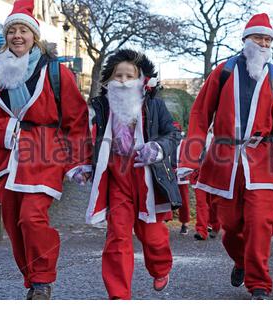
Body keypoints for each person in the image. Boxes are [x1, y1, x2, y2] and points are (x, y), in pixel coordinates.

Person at [178, 13, 273, 299]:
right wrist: (190, 158)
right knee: (230, 224)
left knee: (260, 222)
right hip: (224, 158)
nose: (263, 43)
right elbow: (200, 114)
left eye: (268, 39)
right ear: (246, 39)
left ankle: (259, 283)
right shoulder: (222, 71)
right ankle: (241, 261)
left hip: (262, 158)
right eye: (259, 37)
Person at [0, 0, 92, 299]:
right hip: (7, 158)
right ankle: (32, 279)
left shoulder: (56, 72)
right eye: (11, 30)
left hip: (44, 154)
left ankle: (42, 280)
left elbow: (77, 119)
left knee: (32, 218)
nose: (17, 36)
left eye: (23, 30)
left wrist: (78, 161)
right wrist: (6, 130)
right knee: (14, 225)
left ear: (34, 36)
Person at [85, 49, 181, 299]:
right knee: (117, 236)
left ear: (142, 80)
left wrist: (157, 147)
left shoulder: (155, 105)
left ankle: (160, 267)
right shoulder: (101, 107)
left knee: (153, 235)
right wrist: (85, 164)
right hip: (118, 178)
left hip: (148, 176)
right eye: (118, 76)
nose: (124, 81)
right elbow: (86, 139)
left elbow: (172, 134)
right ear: (109, 80)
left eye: (130, 75)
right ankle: (119, 296)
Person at [173, 122, 191, 235]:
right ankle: (161, 220)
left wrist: (183, 169)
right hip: (169, 175)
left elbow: (190, 158)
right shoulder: (167, 143)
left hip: (182, 175)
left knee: (183, 200)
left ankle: (185, 223)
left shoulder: (185, 144)